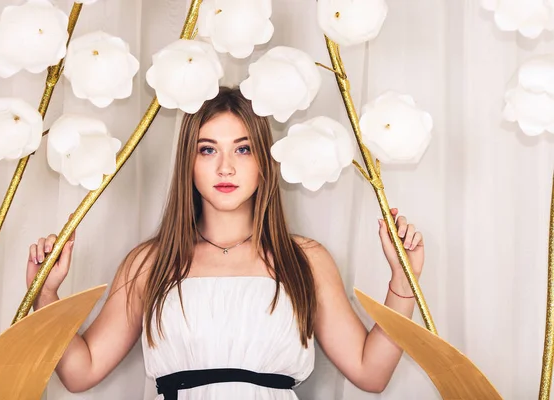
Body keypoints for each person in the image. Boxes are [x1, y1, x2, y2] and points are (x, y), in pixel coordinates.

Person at [26, 87, 425, 399]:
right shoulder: (151, 263)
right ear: (189, 160)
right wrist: (45, 294)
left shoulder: (304, 260)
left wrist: (403, 282)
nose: (226, 167)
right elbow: (81, 373)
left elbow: (371, 373)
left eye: (243, 148)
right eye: (208, 149)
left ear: (263, 160)